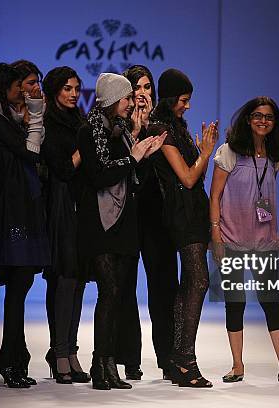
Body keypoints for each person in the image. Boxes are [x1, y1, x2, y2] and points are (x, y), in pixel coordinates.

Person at [77, 73, 165, 390]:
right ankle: (100, 363)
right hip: (99, 223)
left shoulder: (124, 130)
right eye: (127, 97)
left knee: (118, 296)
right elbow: (99, 175)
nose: (131, 102)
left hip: (126, 223)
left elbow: (132, 176)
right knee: (109, 292)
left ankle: (109, 363)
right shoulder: (89, 132)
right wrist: (134, 157)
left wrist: (144, 155)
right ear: (115, 99)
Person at [209, 96, 279, 385]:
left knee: (271, 301)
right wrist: (215, 235)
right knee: (234, 302)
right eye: (258, 115)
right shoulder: (229, 152)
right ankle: (237, 365)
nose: (263, 120)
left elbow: (267, 196)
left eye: (269, 117)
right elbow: (215, 196)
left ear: (275, 123)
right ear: (248, 119)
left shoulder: (275, 154)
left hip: (265, 241)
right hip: (232, 238)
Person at [0, 62, 50, 388]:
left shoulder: (7, 119)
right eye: (18, 86)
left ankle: (11, 358)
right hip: (10, 216)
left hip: (23, 211)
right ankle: (11, 360)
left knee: (20, 286)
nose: (23, 90)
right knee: (17, 287)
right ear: (4, 89)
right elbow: (30, 152)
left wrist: (30, 117)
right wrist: (35, 115)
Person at [147, 68, 218, 387]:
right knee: (198, 281)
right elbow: (188, 177)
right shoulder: (161, 129)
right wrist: (205, 152)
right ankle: (184, 360)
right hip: (180, 214)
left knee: (192, 282)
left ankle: (180, 359)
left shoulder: (177, 127)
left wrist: (201, 155)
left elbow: (195, 177)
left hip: (193, 211)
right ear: (172, 97)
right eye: (184, 100)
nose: (187, 106)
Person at [114, 65, 179, 380]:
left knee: (164, 289)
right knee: (124, 288)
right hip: (126, 217)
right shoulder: (116, 128)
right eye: (136, 88)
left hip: (158, 219)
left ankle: (168, 358)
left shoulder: (165, 126)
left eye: (147, 88)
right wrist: (134, 135)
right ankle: (129, 359)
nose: (142, 94)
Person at [40, 66, 90, 384]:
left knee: (79, 279)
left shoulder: (80, 121)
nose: (73, 94)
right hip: (58, 208)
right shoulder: (47, 123)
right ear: (54, 90)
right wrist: (84, 148)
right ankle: (59, 352)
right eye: (67, 89)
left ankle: (70, 350)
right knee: (64, 278)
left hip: (81, 207)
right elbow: (62, 169)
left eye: (76, 88)